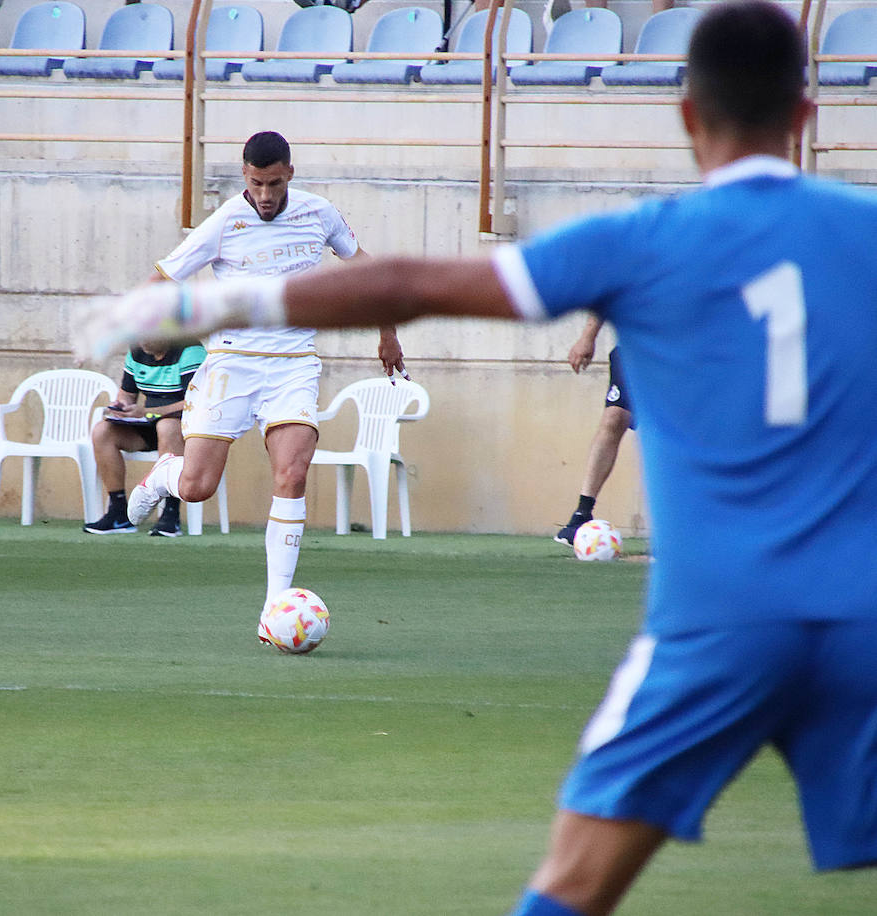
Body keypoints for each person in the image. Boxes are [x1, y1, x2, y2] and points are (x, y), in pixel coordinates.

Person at [76, 4, 877, 912]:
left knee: (573, 885)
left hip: (717, 627)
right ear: (809, 115)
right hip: (866, 618)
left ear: (689, 113)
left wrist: (181, 313)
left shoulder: (642, 240)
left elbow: (410, 281)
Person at [127, 130, 407, 626]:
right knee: (196, 488)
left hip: (294, 364)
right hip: (231, 365)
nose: (265, 196)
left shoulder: (318, 213)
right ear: (245, 177)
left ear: (289, 175)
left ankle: (274, 608)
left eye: (274, 183)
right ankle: (163, 475)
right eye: (256, 184)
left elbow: (370, 273)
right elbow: (163, 279)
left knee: (292, 474)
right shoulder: (224, 222)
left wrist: (388, 334)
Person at [84, 341, 207, 537]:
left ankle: (170, 515)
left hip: (189, 430)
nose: (142, 340)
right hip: (148, 424)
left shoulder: (190, 351)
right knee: (102, 431)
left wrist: (149, 412)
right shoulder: (137, 351)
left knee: (167, 426)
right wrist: (121, 407)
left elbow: (197, 401)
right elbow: (127, 394)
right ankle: (119, 514)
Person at [554, 316, 635, 547]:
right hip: (635, 347)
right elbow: (610, 286)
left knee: (664, 430)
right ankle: (582, 513)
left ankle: (675, 528)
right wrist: (587, 337)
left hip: (684, 348)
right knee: (614, 416)